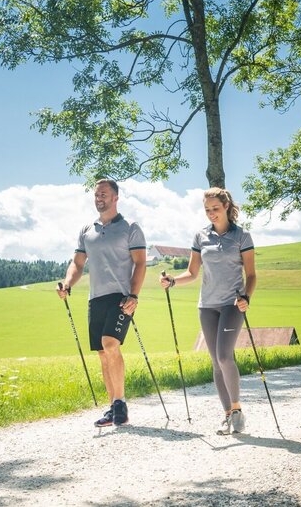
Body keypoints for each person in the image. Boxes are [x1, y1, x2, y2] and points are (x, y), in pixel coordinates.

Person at [161, 187, 256, 435]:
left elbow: (252, 274)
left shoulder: (241, 237)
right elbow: (192, 273)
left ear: (226, 206)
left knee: (225, 356)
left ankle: (237, 411)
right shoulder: (200, 236)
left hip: (233, 304)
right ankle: (227, 415)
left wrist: (246, 296)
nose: (211, 214)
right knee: (215, 361)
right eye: (207, 210)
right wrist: (173, 281)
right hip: (207, 305)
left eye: (215, 209)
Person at [58, 179, 147, 427]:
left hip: (121, 298)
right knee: (102, 353)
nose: (99, 198)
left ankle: (120, 403)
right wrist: (67, 283)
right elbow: (77, 264)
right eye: (97, 194)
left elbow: (140, 263)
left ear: (116, 197)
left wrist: (134, 295)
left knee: (110, 344)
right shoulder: (88, 229)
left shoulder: (130, 227)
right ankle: (113, 408)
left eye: (104, 194)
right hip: (95, 298)